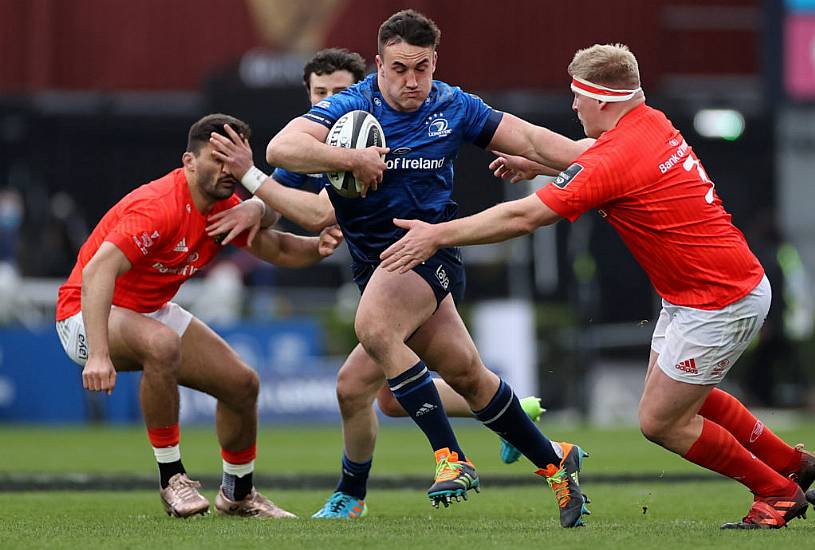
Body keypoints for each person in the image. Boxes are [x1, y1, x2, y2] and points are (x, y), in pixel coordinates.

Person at [379, 43, 815, 529]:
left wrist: (436, 234)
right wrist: (540, 165)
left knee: (661, 421)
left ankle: (776, 493)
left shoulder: (617, 156)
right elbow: (593, 160)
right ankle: (793, 465)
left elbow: (526, 216)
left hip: (718, 302)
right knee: (687, 395)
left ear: (601, 100)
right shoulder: (650, 123)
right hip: (709, 290)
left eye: (576, 97)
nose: (572, 106)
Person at [240, 11, 595, 528]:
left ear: (434, 65)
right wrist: (353, 160)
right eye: (400, 68)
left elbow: (537, 141)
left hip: (428, 252)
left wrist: (595, 158)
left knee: (373, 327)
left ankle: (450, 458)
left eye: (422, 69)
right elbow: (280, 148)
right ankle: (556, 464)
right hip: (377, 265)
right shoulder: (352, 106)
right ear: (378, 65)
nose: (412, 81)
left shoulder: (453, 106)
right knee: (470, 379)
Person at [55, 113, 344, 519]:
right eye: (216, 158)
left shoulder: (223, 208)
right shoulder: (158, 206)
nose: (228, 170)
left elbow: (275, 249)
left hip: (148, 311)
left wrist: (317, 247)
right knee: (161, 342)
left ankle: (238, 494)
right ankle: (171, 478)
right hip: (84, 315)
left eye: (235, 159)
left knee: (242, 384)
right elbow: (97, 271)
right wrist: (99, 354)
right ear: (189, 161)